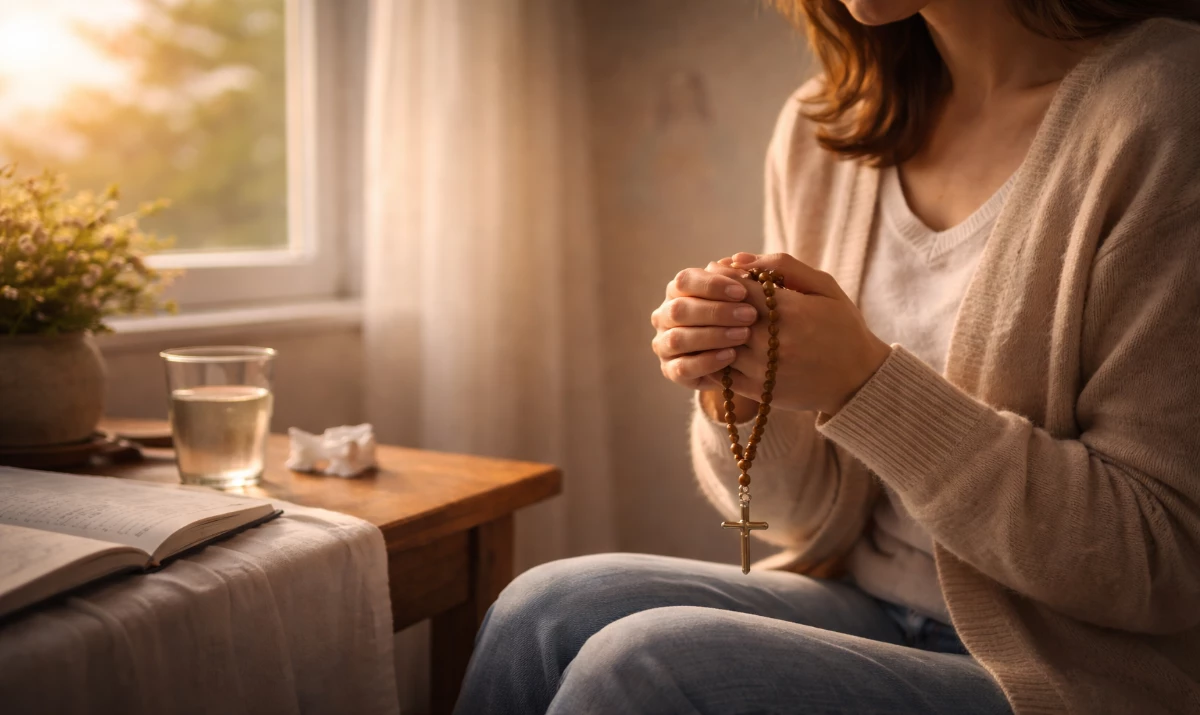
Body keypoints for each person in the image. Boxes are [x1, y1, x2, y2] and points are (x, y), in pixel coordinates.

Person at [454, 0, 1200, 712]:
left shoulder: (1165, 103)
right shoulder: (825, 130)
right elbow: (802, 519)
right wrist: (743, 394)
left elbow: (1166, 559)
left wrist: (867, 385)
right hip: (867, 598)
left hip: (1072, 668)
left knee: (644, 664)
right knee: (541, 609)